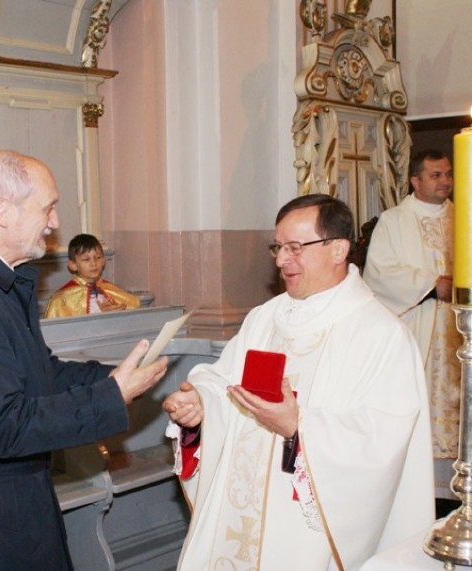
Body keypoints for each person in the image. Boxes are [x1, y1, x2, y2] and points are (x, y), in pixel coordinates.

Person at [0, 150, 168, 570]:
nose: (55, 222)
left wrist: (110, 379)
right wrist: (110, 397)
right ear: (2, 211)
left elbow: (40, 372)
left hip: (2, 499)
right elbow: (8, 426)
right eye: (49, 207)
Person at [163, 194, 434, 570]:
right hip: (237, 510)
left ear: (338, 249)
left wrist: (298, 426)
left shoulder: (381, 334)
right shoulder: (266, 317)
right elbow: (225, 379)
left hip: (304, 529)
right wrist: (201, 403)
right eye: (278, 247)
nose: (280, 259)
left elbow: (384, 437)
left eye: (294, 247)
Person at [362, 149, 472, 509]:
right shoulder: (394, 220)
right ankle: (415, 493)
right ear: (415, 180)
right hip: (419, 328)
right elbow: (378, 272)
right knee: (418, 408)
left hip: (462, 331)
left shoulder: (469, 218)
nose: (445, 182)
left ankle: (462, 493)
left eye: (448, 175)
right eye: (435, 175)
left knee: (465, 409)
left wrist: (471, 286)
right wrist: (431, 284)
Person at [43, 233, 140, 318]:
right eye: (86, 259)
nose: (94, 263)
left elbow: (134, 312)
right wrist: (102, 315)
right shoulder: (61, 299)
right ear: (73, 265)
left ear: (103, 261)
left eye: (98, 257)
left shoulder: (112, 290)